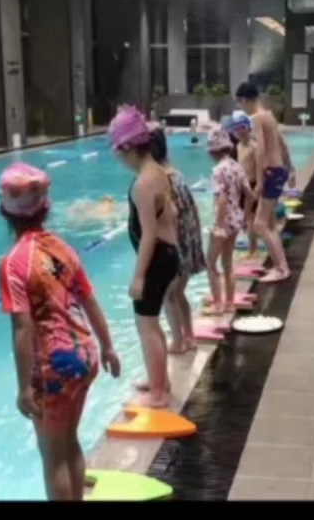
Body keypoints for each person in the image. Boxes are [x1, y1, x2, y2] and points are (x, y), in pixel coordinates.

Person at [0, 162, 120, 501]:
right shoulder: (63, 248)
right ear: (46, 207)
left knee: (52, 456)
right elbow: (89, 300)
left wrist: (24, 387)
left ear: (4, 211)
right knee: (70, 441)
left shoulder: (13, 262)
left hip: (54, 365)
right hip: (85, 354)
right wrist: (108, 347)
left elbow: (23, 327)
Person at [109, 105, 180, 408]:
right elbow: (172, 213)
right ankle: (160, 381)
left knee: (146, 327)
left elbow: (149, 233)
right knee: (152, 323)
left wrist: (139, 276)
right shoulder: (160, 172)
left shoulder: (142, 184)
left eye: (118, 152)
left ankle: (158, 394)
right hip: (167, 254)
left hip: (157, 258)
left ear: (127, 148)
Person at [151, 128, 206, 355]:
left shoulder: (161, 180)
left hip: (176, 243)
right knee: (178, 292)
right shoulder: (176, 174)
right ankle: (189, 336)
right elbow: (193, 210)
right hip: (189, 240)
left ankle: (178, 341)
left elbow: (170, 217)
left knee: (168, 294)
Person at [234, 82, 295, 283]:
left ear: (245, 100)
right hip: (278, 170)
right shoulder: (268, 115)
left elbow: (260, 150)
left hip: (270, 173)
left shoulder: (256, 118)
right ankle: (280, 266)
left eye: (240, 103)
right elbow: (282, 143)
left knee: (259, 224)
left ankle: (282, 268)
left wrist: (260, 181)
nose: (241, 107)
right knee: (269, 224)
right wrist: (290, 168)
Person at [205, 128, 253, 314]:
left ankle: (218, 304)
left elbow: (222, 199)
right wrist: (245, 217)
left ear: (212, 151)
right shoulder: (236, 166)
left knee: (210, 263)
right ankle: (230, 303)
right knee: (228, 263)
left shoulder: (218, 170)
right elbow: (249, 195)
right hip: (236, 220)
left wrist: (218, 225)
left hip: (223, 223)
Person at [227, 111, 262, 260]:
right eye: (237, 128)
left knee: (251, 219)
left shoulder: (254, 147)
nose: (240, 131)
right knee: (246, 219)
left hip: (252, 186)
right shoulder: (238, 146)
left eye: (242, 127)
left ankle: (253, 250)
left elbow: (260, 169)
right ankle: (252, 247)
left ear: (248, 127)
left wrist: (258, 188)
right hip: (242, 187)